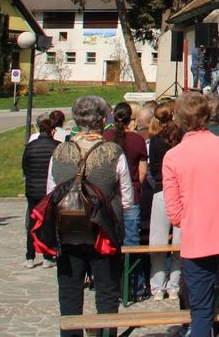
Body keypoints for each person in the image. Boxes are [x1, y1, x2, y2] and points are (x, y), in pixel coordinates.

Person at [163, 92, 219, 337]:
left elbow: (173, 211)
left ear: (179, 120)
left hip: (198, 237)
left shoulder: (173, 156)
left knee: (201, 312)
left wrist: (193, 219)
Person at [48, 96, 133, 336]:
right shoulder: (112, 152)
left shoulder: (60, 151)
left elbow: (50, 194)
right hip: (104, 233)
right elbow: (127, 199)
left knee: (69, 295)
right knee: (106, 294)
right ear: (102, 120)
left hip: (67, 232)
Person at [104, 101, 148, 300]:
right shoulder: (137, 140)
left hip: (109, 197)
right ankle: (135, 287)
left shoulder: (105, 138)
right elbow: (143, 173)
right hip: (133, 196)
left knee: (110, 241)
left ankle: (111, 285)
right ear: (131, 119)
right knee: (132, 243)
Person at [147, 103, 183, 301]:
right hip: (179, 189)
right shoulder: (180, 137)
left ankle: (157, 286)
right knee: (180, 239)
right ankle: (174, 285)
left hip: (161, 190)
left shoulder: (155, 141)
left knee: (158, 238)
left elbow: (153, 169)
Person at [22, 112, 61, 267]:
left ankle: (30, 257)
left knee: (32, 223)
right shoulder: (56, 146)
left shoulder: (30, 147)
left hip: (32, 189)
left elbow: (25, 167)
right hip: (49, 191)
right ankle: (47, 256)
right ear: (52, 130)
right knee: (48, 223)